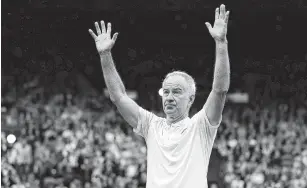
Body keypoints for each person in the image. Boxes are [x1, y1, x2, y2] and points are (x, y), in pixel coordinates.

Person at [88, 4, 231, 188]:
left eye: (177, 91)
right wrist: (105, 55)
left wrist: (221, 43)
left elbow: (219, 90)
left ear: (191, 98)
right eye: (166, 91)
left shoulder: (201, 126)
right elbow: (118, 96)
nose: (169, 97)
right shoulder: (151, 126)